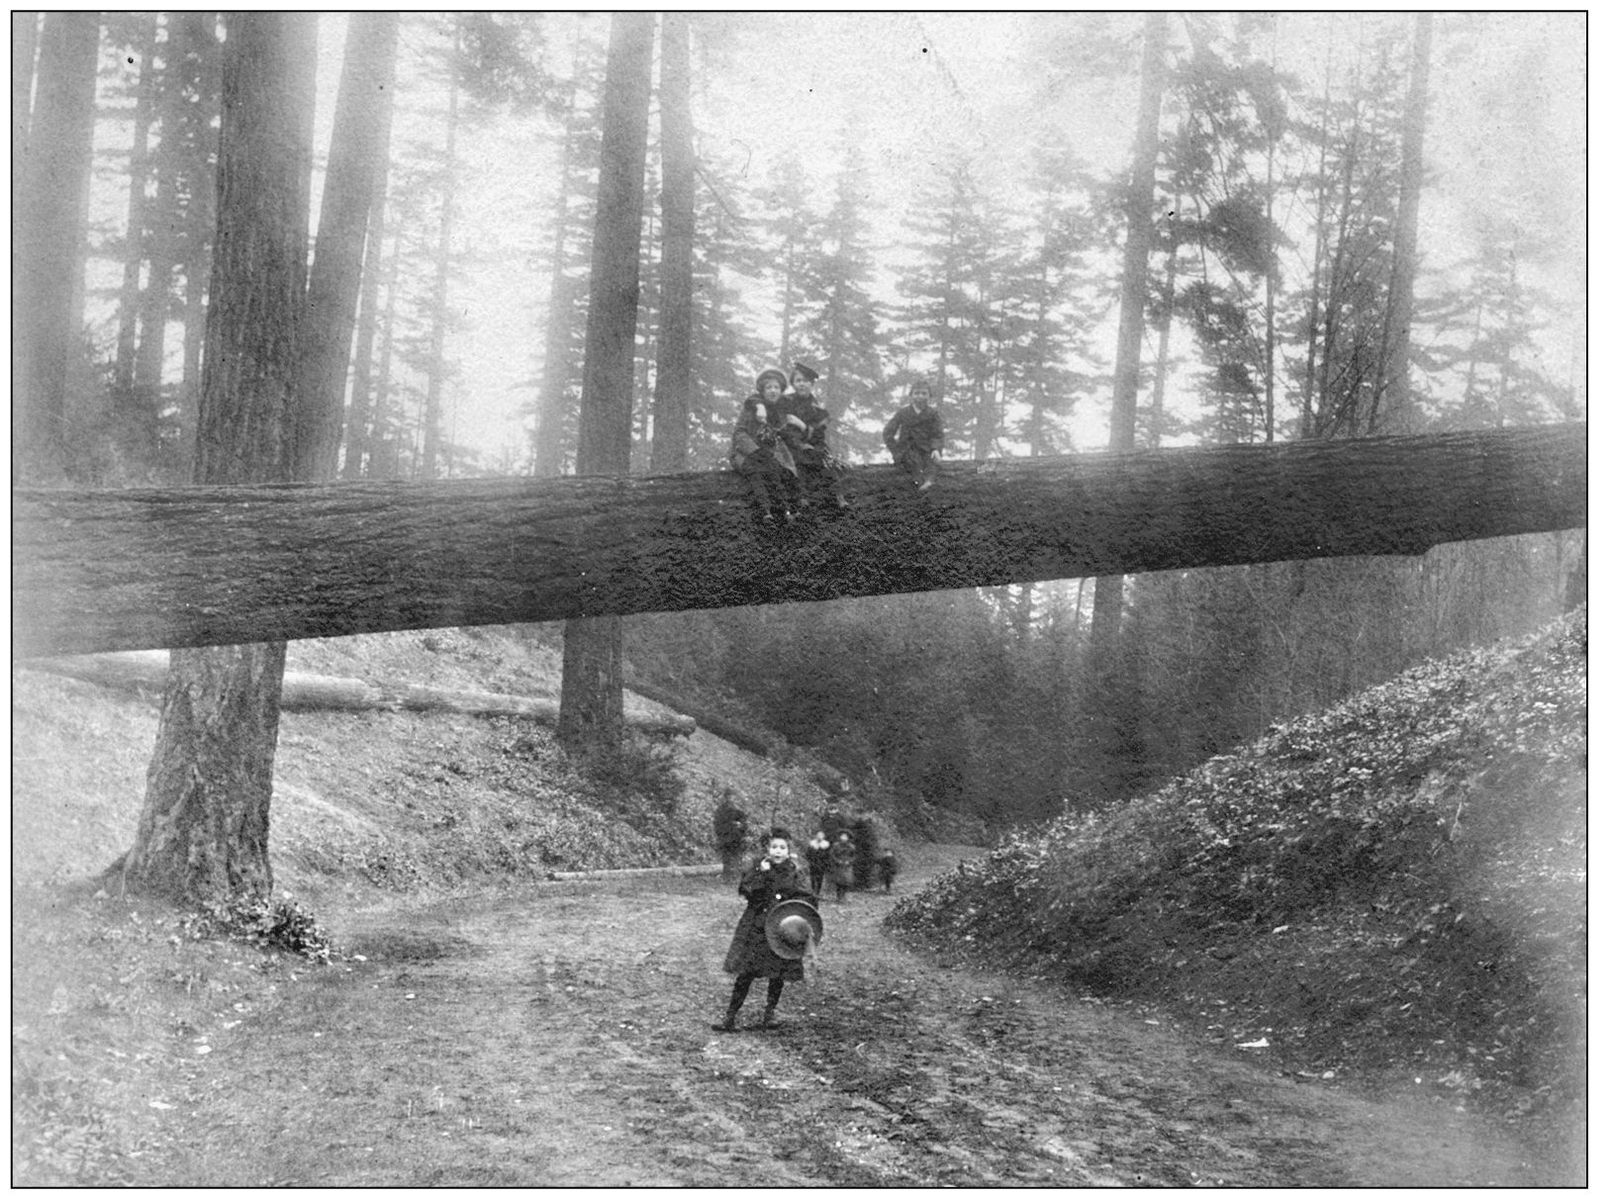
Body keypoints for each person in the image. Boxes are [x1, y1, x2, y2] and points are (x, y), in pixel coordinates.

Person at [714, 828, 814, 1032]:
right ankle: (730, 1017)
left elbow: (807, 898)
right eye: (774, 847)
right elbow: (747, 890)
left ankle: (769, 1014)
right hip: (757, 926)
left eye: (782, 848)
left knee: (777, 973)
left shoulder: (794, 871)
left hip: (781, 929)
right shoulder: (758, 868)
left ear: (788, 850)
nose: (778, 851)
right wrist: (763, 873)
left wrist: (792, 907)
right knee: (746, 972)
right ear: (767, 849)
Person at [730, 369, 798, 524]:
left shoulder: (779, 411)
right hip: (745, 453)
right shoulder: (752, 407)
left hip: (767, 454)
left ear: (781, 391)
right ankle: (764, 512)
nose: (773, 391)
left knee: (776, 471)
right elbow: (739, 433)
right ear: (762, 390)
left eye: (776, 388)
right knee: (756, 471)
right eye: (769, 387)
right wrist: (754, 451)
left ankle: (785, 511)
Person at [778, 362, 849, 512]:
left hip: (812, 445)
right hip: (791, 444)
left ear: (811, 384)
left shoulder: (818, 410)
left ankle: (839, 497)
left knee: (825, 461)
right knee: (798, 462)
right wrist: (801, 442)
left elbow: (818, 433)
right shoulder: (785, 402)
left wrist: (803, 427)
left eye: (805, 381)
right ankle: (801, 497)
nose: (801, 384)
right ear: (793, 383)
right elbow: (785, 428)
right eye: (798, 381)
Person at [882, 379, 944, 490]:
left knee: (933, 462)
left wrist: (935, 449)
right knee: (912, 461)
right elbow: (888, 432)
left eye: (924, 393)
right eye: (916, 393)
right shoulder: (903, 413)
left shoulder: (933, 414)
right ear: (911, 395)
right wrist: (896, 450)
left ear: (929, 396)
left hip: (926, 449)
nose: (920, 396)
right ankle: (920, 484)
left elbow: (938, 434)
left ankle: (929, 482)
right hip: (907, 450)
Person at [712, 790, 750, 882]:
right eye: (728, 797)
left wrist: (740, 825)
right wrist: (722, 833)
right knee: (726, 859)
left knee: (737, 858)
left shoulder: (738, 811)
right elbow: (717, 824)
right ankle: (726, 877)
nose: (730, 799)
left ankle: (735, 877)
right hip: (725, 838)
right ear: (725, 798)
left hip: (736, 838)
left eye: (732, 797)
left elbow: (745, 824)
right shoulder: (721, 810)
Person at [828, 831, 857, 904]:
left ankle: (843, 896)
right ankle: (839, 897)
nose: (844, 838)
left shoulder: (852, 846)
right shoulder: (836, 845)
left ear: (848, 838)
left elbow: (854, 856)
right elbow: (832, 854)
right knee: (838, 882)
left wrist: (849, 861)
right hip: (838, 865)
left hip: (847, 866)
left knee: (846, 881)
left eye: (845, 837)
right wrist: (837, 861)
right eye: (842, 836)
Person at [804, 830, 831, 897]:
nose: (819, 837)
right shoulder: (812, 844)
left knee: (820, 879)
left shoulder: (826, 845)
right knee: (812, 878)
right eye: (818, 835)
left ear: (823, 837)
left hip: (822, 864)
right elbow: (807, 854)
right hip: (813, 864)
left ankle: (818, 892)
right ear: (816, 836)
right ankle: (813, 891)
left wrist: (826, 863)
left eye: (821, 835)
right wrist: (810, 861)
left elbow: (828, 856)